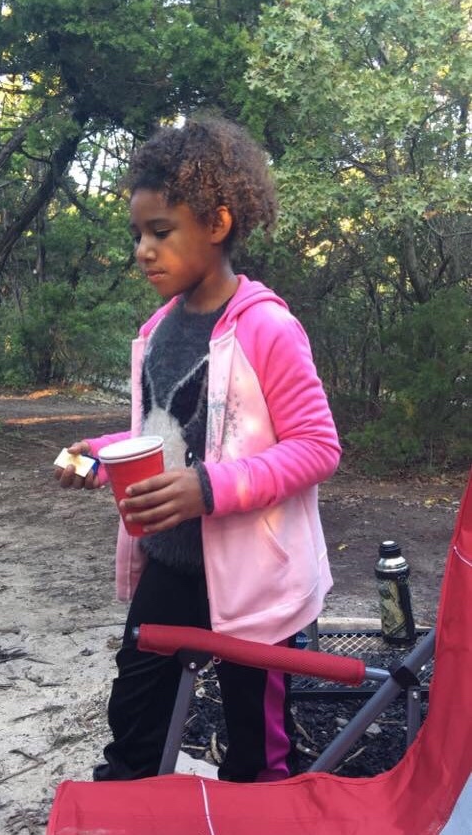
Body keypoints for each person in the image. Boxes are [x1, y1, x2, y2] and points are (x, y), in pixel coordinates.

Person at [54, 116, 341, 783]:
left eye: (161, 231)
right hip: (171, 564)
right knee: (134, 723)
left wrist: (208, 488)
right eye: (137, 235)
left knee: (257, 749)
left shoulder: (268, 328)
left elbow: (316, 447)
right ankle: (129, 805)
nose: (143, 251)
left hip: (254, 572)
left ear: (216, 224)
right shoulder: (156, 330)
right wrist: (100, 452)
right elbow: (165, 437)